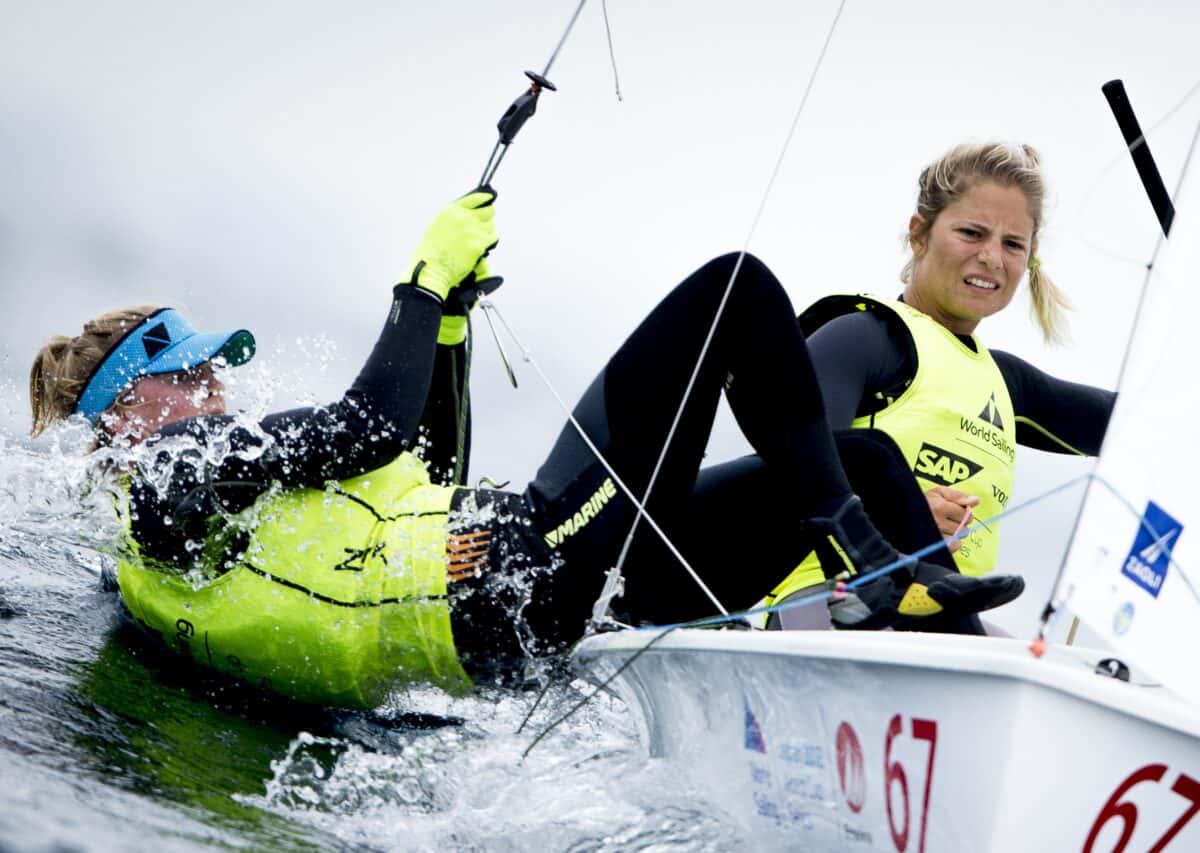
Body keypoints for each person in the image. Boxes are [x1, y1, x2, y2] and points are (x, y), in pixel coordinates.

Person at [29, 187, 1024, 708]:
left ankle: (967, 656)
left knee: (868, 460)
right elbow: (369, 422)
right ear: (123, 414)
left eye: (212, 366)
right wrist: (421, 280)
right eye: (187, 373)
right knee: (735, 290)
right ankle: (860, 550)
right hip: (539, 565)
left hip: (535, 600)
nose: (214, 382)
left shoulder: (200, 512)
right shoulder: (172, 475)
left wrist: (446, 330)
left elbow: (420, 477)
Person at [694, 143, 1116, 629]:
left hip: (939, 619)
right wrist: (898, 511)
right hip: (829, 604)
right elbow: (797, 469)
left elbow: (1142, 425)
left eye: (1013, 244)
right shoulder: (864, 337)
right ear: (919, 234)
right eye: (972, 233)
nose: (991, 258)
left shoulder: (1006, 384)